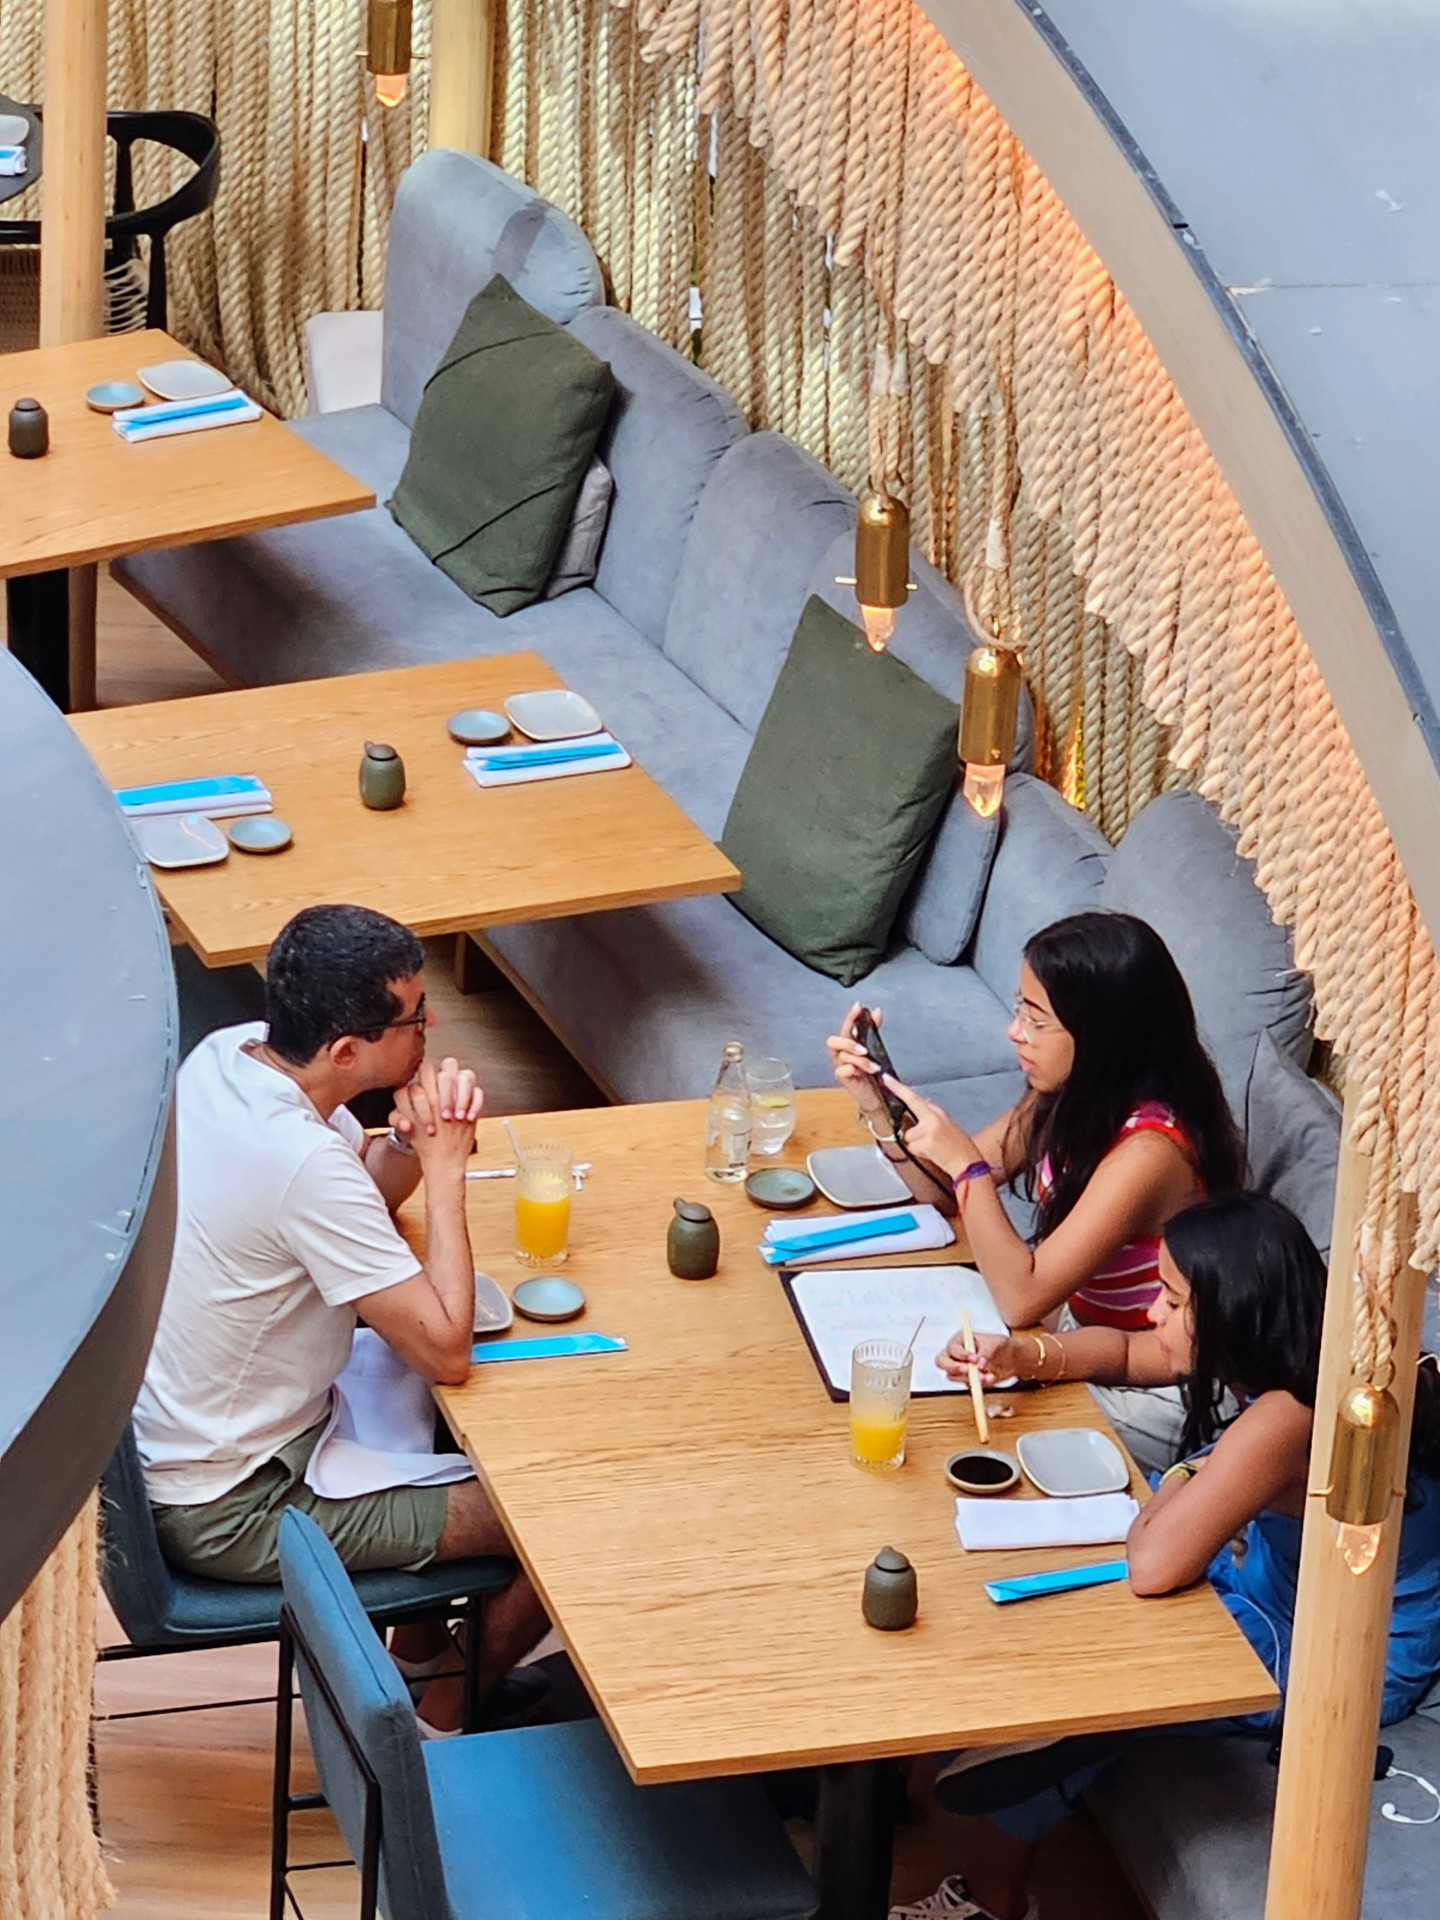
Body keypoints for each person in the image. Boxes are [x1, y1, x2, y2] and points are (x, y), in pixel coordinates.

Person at [899, 1193, 1440, 1920]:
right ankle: (1048, 1721)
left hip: (1339, 1652)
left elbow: (1154, 1566)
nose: (1153, 1312)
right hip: (1272, 1582)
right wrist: (1020, 1356)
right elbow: (1129, 1353)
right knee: (1096, 1589)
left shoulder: (1291, 1414)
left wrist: (1189, 1473)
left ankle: (995, 1892)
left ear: (1231, 1312)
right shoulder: (1298, 1347)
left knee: (1127, 1657)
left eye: (1173, 1300)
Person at [133, 904, 548, 1728]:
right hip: (234, 1503)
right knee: (550, 1514)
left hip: (202, 1436)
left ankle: (422, 1654)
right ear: (348, 1052)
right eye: (414, 1018)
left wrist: (408, 1140)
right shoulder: (299, 1164)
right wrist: (448, 1168)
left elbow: (360, 1191)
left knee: (441, 1417)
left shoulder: (230, 1057)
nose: (431, 1028)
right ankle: (440, 1723)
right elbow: (446, 1348)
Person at [827, 909, 1243, 1469]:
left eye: (1037, 1020)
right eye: (1020, 1008)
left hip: (1152, 1386)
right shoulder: (1069, 1095)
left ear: (1099, 1037)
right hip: (1082, 1338)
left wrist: (966, 1164)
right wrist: (882, 1110)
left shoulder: (1150, 1151)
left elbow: (1021, 1295)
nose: (1015, 1030)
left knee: (937, 1429)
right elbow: (946, 1195)